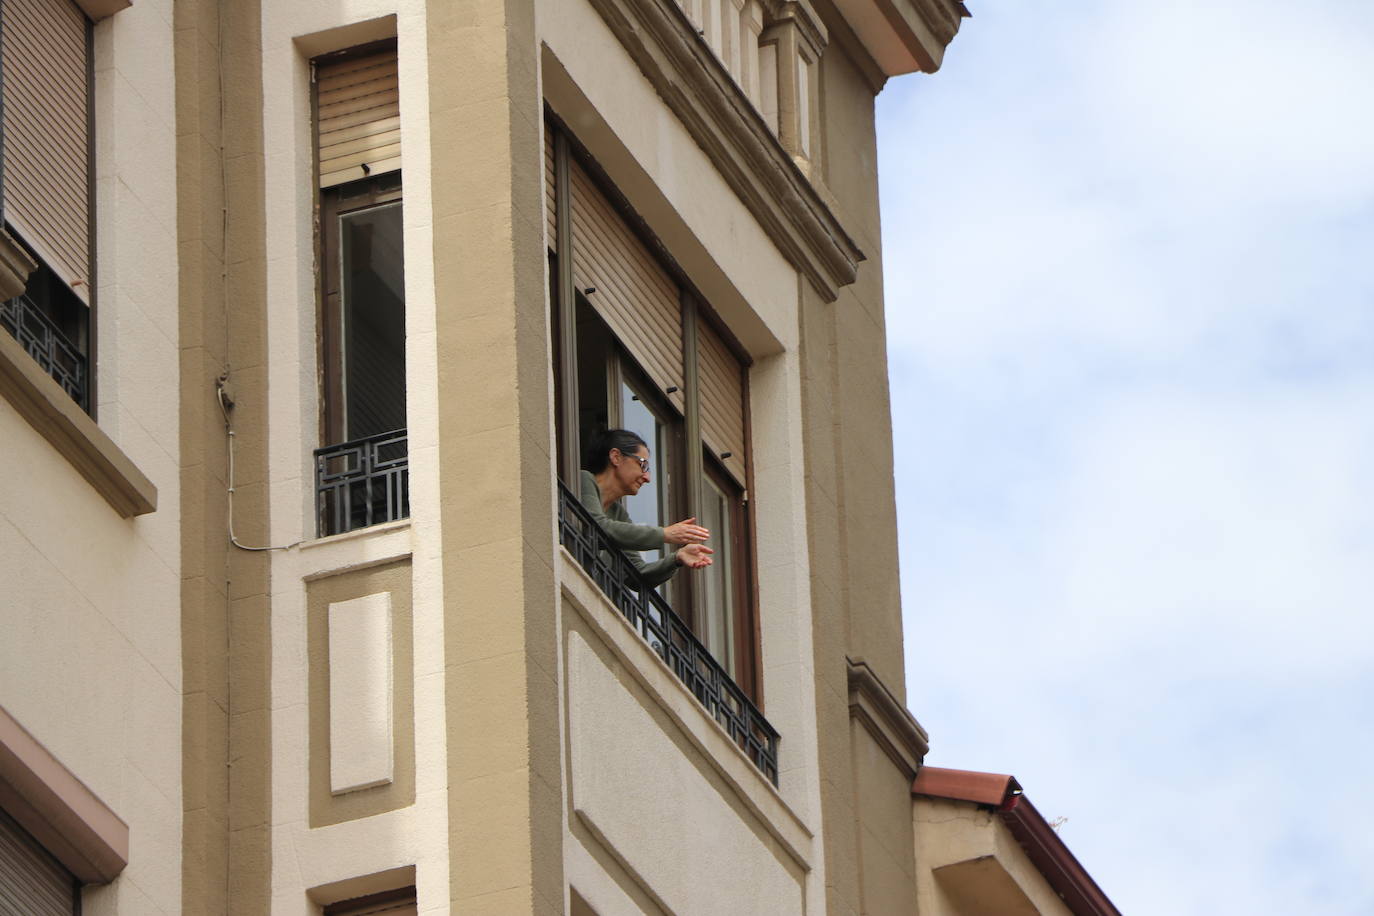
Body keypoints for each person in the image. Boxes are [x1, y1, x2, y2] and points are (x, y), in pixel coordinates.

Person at [579, 428, 714, 586]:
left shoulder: (618, 513)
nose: (647, 477)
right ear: (615, 457)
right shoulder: (582, 480)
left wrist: (677, 558)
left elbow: (636, 573)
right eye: (642, 465)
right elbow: (595, 526)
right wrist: (664, 534)